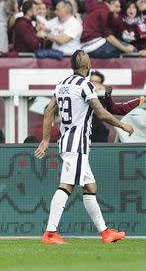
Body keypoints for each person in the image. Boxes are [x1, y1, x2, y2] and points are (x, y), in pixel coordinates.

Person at [35, 50, 134, 244]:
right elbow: (101, 113)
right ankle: (50, 233)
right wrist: (123, 125)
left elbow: (48, 111)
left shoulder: (62, 84)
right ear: (88, 67)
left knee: (90, 187)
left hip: (67, 142)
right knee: (67, 186)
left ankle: (105, 232)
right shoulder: (85, 85)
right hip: (77, 144)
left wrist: (46, 139)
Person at [89, 70, 142, 142]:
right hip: (83, 130)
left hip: (98, 131)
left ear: (101, 85)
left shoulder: (103, 96)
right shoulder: (79, 93)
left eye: (97, 83)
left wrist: (105, 95)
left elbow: (106, 110)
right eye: (92, 82)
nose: (95, 85)